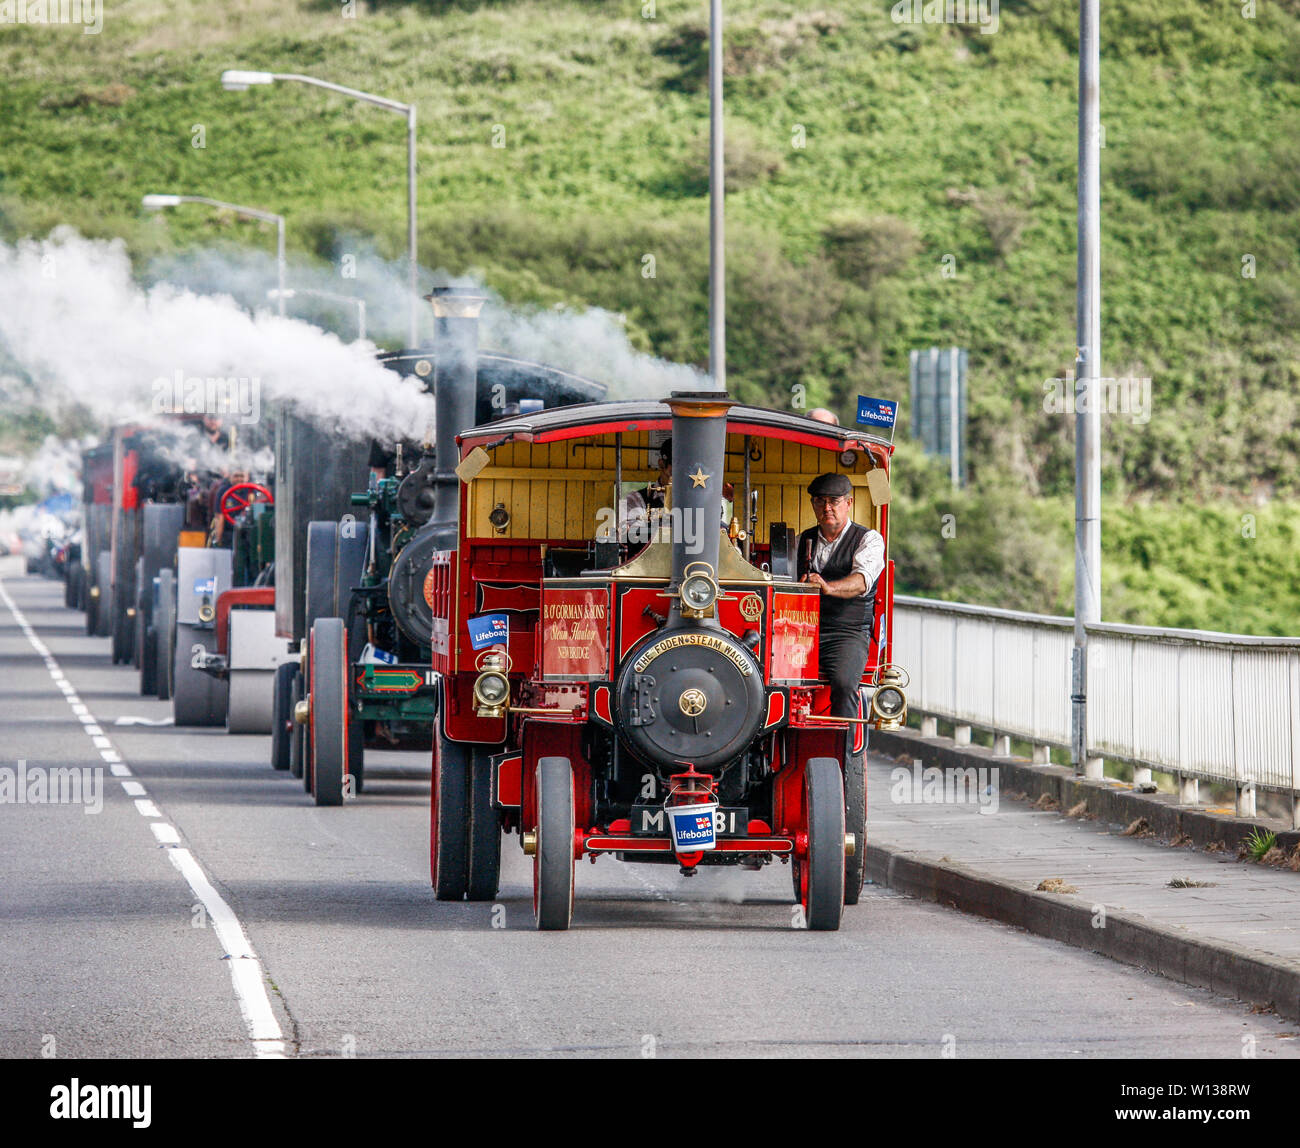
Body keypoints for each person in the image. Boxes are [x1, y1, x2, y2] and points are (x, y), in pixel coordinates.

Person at [797, 473, 885, 717]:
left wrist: (828, 587)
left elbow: (861, 582)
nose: (827, 508)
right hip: (802, 631)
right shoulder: (802, 539)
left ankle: (842, 751)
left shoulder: (869, 540)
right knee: (771, 679)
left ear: (849, 503)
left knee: (845, 685)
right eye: (820, 501)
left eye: (834, 501)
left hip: (846, 633)